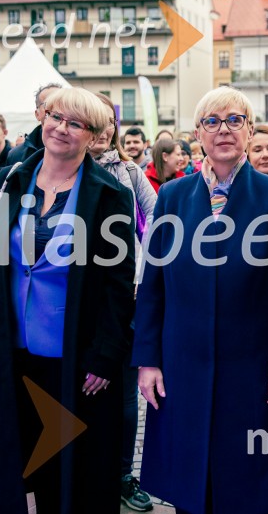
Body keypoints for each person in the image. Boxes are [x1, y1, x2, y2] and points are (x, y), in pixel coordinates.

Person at [133, 86, 268, 514]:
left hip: (254, 369)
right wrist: (148, 360)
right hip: (184, 366)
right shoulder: (173, 197)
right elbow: (153, 284)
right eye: (212, 122)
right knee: (190, 489)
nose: (223, 130)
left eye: (235, 120)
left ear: (249, 131)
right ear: (198, 134)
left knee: (249, 487)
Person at [0, 87, 136, 513]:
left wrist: (106, 354)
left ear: (94, 136)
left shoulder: (110, 194)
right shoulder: (8, 180)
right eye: (56, 116)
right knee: (18, 455)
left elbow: (118, 283)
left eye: (75, 123)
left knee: (72, 461)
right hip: (13, 345)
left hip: (75, 352)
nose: (61, 128)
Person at [89, 92, 156, 511]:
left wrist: (145, 277)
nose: (101, 130)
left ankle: (122, 474)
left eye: (106, 121)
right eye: (91, 121)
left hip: (124, 297)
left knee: (126, 396)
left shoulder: (129, 172)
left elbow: (160, 225)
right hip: (68, 304)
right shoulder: (47, 169)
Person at [7, 82, 64, 164]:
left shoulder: (79, 149)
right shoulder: (17, 155)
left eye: (61, 103)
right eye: (48, 104)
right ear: (37, 114)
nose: (56, 109)